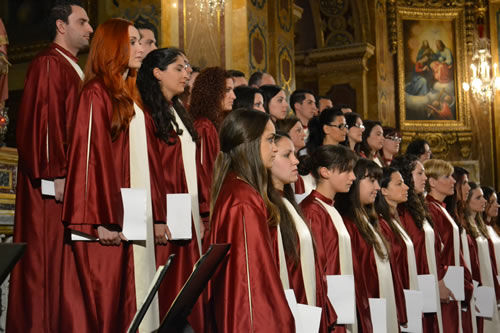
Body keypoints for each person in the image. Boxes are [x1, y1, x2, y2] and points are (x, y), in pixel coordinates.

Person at [61, 18, 167, 332]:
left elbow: (149, 162)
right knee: (108, 314)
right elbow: (89, 158)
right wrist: (100, 219)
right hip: (107, 223)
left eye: (140, 41)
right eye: (132, 41)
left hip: (133, 219)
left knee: (137, 304)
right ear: (113, 45)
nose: (140, 48)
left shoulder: (129, 94)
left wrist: (156, 215)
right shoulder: (97, 92)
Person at [7, 1, 93, 332]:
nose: (90, 29)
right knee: (47, 266)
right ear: (61, 26)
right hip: (51, 186)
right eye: (82, 22)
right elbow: (43, 121)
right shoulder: (47, 63)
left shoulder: (70, 65)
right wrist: (54, 173)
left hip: (66, 182)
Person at [204, 109, 295, 332]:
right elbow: (252, 282)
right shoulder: (243, 199)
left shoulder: (238, 189)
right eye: (270, 139)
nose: (275, 148)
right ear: (250, 142)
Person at [137, 47, 205, 331]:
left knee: (187, 285)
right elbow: (150, 168)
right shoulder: (147, 112)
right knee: (169, 289)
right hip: (165, 212)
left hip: (185, 209)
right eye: (179, 68)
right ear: (157, 72)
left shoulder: (177, 110)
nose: (186, 73)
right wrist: (158, 216)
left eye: (187, 67)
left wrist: (198, 211)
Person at [269, 133, 336, 332]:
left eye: (295, 154)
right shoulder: (268, 209)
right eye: (287, 155)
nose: (296, 161)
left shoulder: (289, 204)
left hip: (307, 302)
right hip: (291, 303)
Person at [335, 158, 400, 332]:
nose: (378, 187)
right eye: (371, 180)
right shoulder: (348, 223)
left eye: (378, 181)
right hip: (368, 308)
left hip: (381, 304)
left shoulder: (369, 220)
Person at [300, 144, 358, 333]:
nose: (353, 177)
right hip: (329, 309)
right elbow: (315, 268)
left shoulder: (330, 208)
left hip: (341, 303)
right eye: (347, 170)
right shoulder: (312, 211)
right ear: (325, 172)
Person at [391, 154, 443, 332]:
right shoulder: (403, 212)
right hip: (416, 286)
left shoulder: (419, 208)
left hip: (429, 283)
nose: (425, 178)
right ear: (407, 176)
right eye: (420, 173)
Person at [424, 159, 474, 333]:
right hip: (445, 283)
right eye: (447, 177)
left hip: (452, 282)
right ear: (432, 182)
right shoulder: (430, 208)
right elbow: (433, 250)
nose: (453, 181)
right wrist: (439, 281)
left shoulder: (440, 208)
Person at [189, 67, 235, 225]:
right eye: (228, 90)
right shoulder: (204, 127)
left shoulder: (214, 125)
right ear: (213, 92)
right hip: (210, 213)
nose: (233, 96)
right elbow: (206, 175)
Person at [375, 167, 416, 328]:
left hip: (408, 296)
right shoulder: (382, 224)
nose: (406, 187)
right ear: (384, 190)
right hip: (397, 298)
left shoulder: (394, 220)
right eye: (399, 184)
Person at [465, 182, 500, 332]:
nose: (484, 201)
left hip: (489, 282)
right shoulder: (466, 227)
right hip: (479, 285)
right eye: (479, 197)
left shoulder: (480, 226)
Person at [482, 186, 500, 272]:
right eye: (492, 202)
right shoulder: (481, 229)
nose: (497, 205)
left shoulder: (493, 227)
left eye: (496, 201)